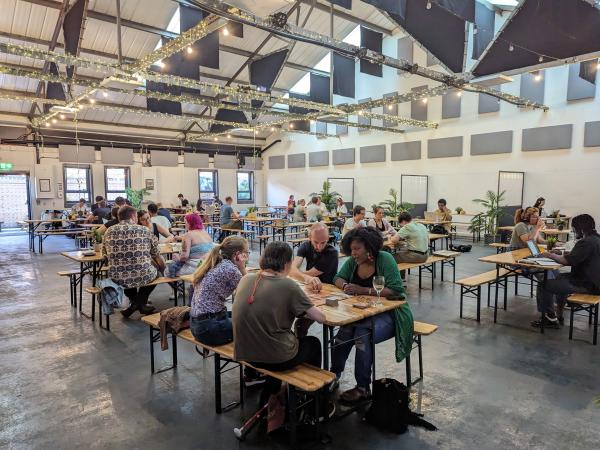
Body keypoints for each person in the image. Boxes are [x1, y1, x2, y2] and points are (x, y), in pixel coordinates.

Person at [233, 241, 327, 406]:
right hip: (273, 357)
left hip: (244, 352)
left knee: (272, 340)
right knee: (312, 344)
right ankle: (313, 400)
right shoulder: (288, 285)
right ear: (287, 263)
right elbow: (320, 318)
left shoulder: (247, 278)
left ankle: (272, 395)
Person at [331, 227, 406, 403]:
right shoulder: (353, 262)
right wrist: (345, 286)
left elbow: (395, 289)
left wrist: (363, 290)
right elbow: (337, 278)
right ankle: (333, 375)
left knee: (361, 335)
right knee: (343, 334)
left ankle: (363, 388)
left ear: (369, 248)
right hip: (362, 314)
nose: (353, 252)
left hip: (390, 315)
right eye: (351, 249)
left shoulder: (384, 259)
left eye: (357, 249)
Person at [103, 205, 166, 317]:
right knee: (157, 273)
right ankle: (140, 304)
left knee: (125, 276)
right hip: (143, 275)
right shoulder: (144, 230)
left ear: (119, 217)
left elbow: (105, 256)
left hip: (116, 277)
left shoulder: (108, 231)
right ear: (133, 216)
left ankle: (135, 305)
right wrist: (162, 266)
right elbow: (156, 254)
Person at [538, 214, 600, 326]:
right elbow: (580, 256)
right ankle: (559, 314)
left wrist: (550, 255)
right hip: (595, 281)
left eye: (574, 229)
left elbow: (567, 261)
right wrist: (561, 254)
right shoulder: (596, 239)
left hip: (587, 285)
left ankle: (550, 319)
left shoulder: (585, 242)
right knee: (560, 277)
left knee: (543, 284)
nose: (574, 231)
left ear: (581, 229)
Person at [189, 236, 248, 346]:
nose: (247, 256)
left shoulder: (216, 262)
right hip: (209, 329)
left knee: (238, 316)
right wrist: (242, 267)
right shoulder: (230, 269)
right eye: (246, 253)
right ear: (237, 255)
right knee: (251, 325)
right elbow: (250, 291)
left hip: (196, 324)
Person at [290, 222, 339, 287]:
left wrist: (295, 274)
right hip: (311, 285)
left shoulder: (332, 253)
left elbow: (310, 274)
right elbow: (293, 267)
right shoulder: (305, 246)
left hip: (327, 287)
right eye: (316, 242)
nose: (319, 246)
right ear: (310, 238)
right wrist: (294, 272)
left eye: (323, 242)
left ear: (327, 239)